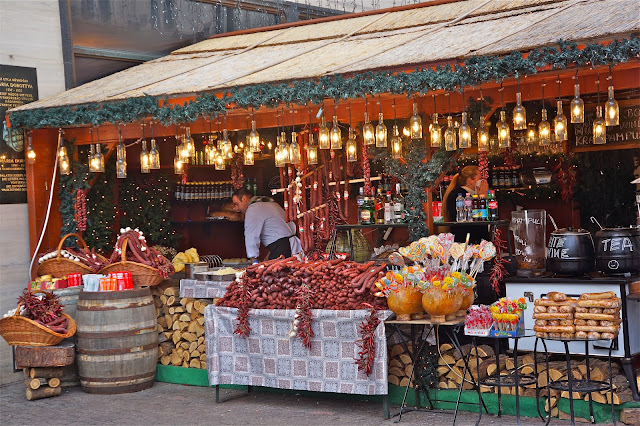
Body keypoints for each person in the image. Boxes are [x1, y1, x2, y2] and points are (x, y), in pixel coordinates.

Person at [232, 187, 302, 262]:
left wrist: (254, 260)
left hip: (282, 249)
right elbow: (278, 233)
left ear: (244, 198)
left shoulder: (253, 209)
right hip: (292, 246)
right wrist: (269, 255)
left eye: (236, 204)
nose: (236, 209)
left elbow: (251, 236)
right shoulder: (271, 204)